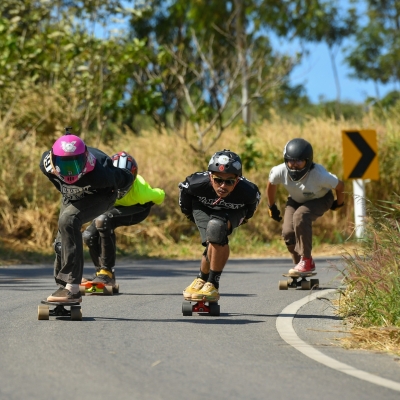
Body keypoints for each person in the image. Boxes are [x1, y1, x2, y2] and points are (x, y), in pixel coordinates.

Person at [40, 128, 134, 302]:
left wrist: (127, 185)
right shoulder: (46, 166)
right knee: (61, 243)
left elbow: (127, 177)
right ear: (53, 161)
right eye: (64, 165)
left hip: (101, 195)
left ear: (85, 160)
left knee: (69, 219)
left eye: (75, 165)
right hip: (71, 196)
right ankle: (63, 286)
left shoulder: (101, 171)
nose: (70, 172)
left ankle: (72, 288)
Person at [179, 149, 261, 302]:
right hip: (202, 208)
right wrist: (192, 216)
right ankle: (201, 279)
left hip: (234, 211)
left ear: (237, 180)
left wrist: (240, 220)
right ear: (210, 177)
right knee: (213, 238)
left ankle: (212, 283)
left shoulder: (248, 191)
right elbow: (185, 200)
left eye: (229, 181)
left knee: (216, 229)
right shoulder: (196, 183)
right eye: (218, 180)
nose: (223, 186)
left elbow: (250, 209)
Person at [81, 151, 165, 286]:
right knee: (88, 236)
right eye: (117, 179)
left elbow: (161, 194)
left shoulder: (142, 193)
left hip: (138, 209)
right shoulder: (101, 185)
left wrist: (151, 200)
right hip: (111, 208)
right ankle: (103, 275)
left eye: (125, 181)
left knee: (103, 220)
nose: (120, 185)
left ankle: (106, 272)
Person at [266, 138, 345, 273]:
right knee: (288, 234)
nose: (295, 165)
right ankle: (300, 266)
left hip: (321, 199)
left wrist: (339, 203)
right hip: (295, 200)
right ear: (286, 160)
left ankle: (306, 261)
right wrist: (271, 206)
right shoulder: (279, 171)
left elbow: (340, 185)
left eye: (299, 161)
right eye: (291, 161)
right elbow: (271, 184)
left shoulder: (319, 175)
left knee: (301, 215)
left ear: (308, 161)